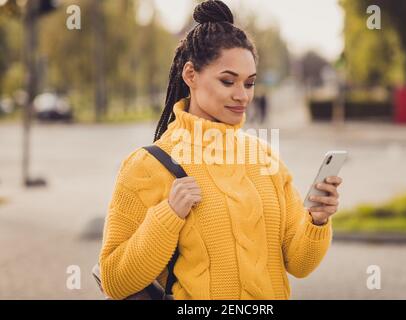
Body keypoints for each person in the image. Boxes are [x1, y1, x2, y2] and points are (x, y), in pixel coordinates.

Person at [99, 0, 342, 300]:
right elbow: (114, 280)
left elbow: (300, 264)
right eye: (228, 81)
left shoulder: (265, 159)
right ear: (191, 75)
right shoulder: (146, 166)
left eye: (250, 83)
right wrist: (169, 214)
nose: (242, 96)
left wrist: (317, 221)